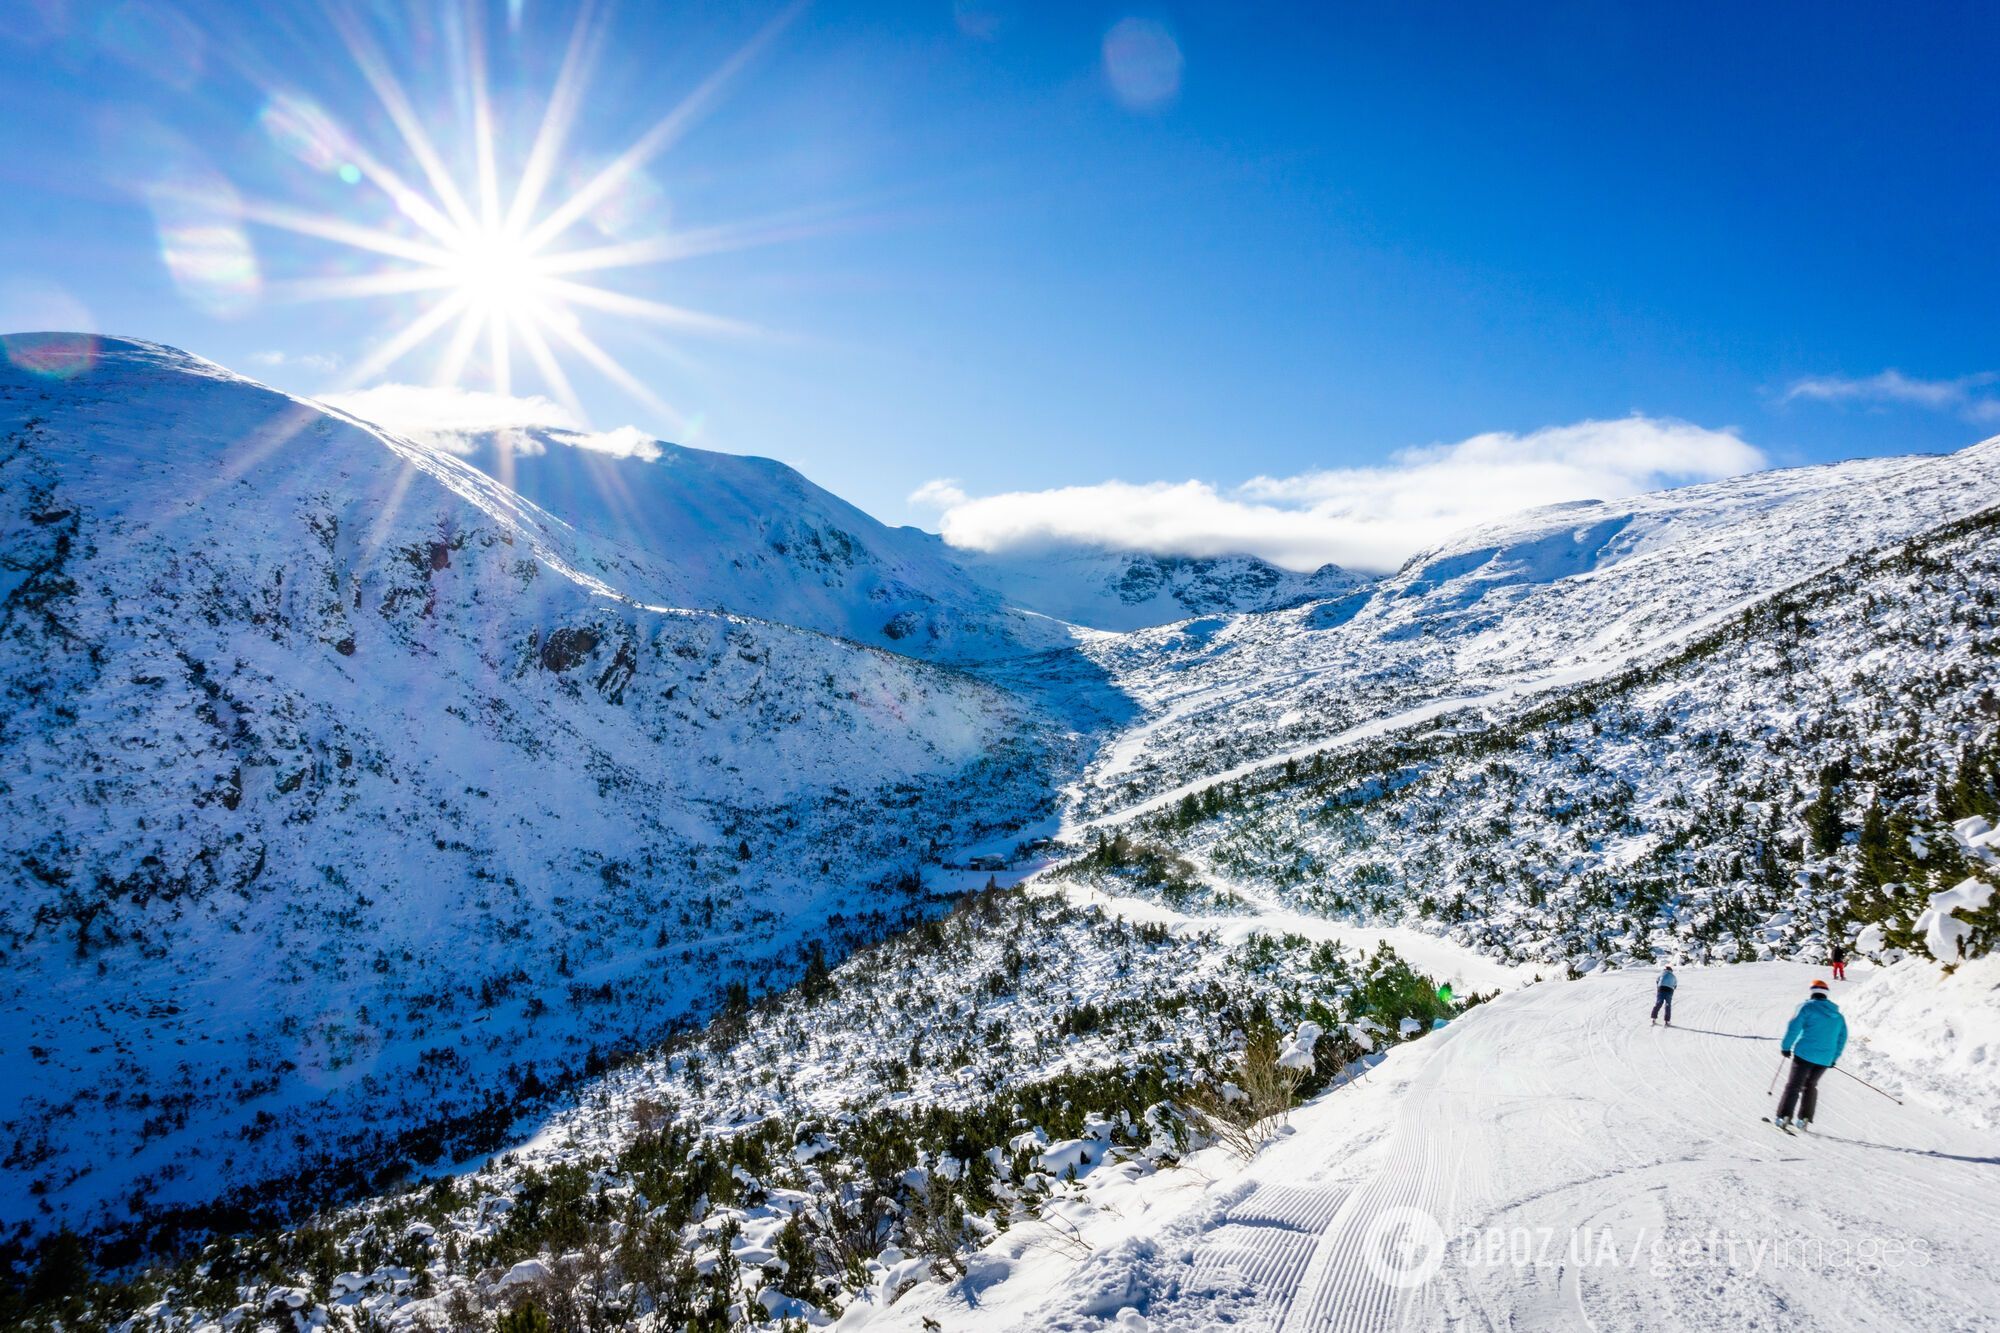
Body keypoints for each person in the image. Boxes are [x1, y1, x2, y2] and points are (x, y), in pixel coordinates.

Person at [1774, 979, 1848, 1132]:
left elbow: (1794, 1028)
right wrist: (1833, 1058)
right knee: (1810, 1085)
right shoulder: (1838, 1016)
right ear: (1826, 995)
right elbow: (1842, 1039)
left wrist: (1786, 1047)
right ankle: (1804, 1119)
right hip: (1825, 1059)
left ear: (1813, 993)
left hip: (1804, 1054)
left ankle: (1784, 1116)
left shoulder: (1807, 1008)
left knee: (1794, 1085)